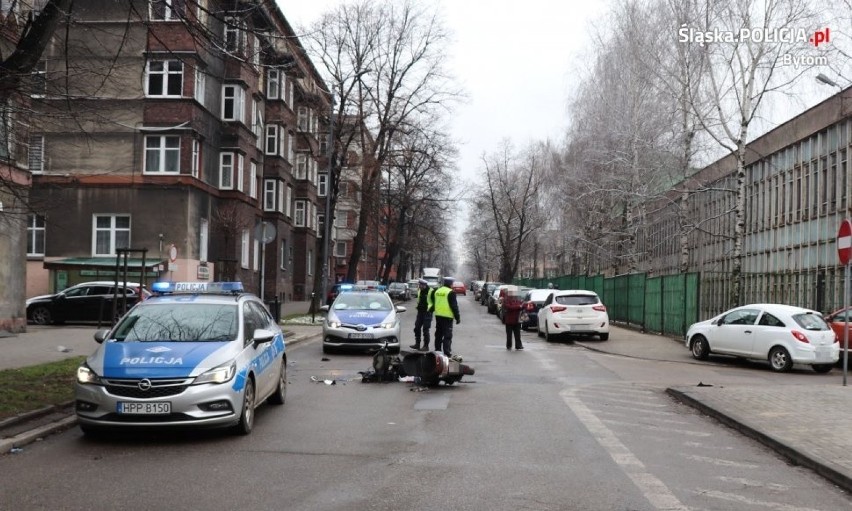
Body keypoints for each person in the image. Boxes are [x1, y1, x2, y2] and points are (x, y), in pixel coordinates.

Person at [431, 277, 460, 356]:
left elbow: (434, 302)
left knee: (438, 334)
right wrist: (457, 317)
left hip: (438, 316)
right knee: (447, 335)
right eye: (452, 284)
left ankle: (437, 351)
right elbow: (454, 306)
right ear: (450, 284)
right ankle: (447, 352)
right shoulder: (451, 292)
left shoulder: (437, 291)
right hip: (447, 317)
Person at [410, 279, 434, 351]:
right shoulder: (420, 290)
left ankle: (426, 346)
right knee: (417, 328)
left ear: (424, 285)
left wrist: (431, 310)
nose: (419, 286)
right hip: (420, 312)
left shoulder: (431, 291)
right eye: (419, 285)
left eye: (420, 285)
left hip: (427, 313)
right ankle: (417, 344)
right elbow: (419, 300)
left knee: (425, 329)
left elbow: (435, 302)